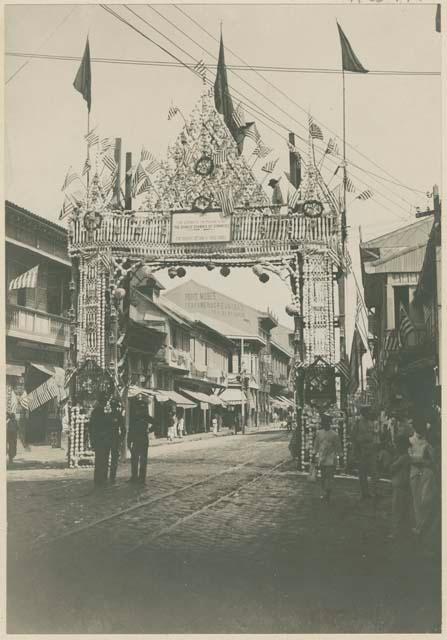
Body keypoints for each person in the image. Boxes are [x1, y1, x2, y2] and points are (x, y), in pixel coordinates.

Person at [408, 419, 436, 537]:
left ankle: (423, 524)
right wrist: (423, 461)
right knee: (416, 500)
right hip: (415, 472)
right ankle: (419, 525)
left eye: (423, 428)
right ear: (415, 428)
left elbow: (433, 461)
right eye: (419, 428)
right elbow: (409, 458)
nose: (421, 431)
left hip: (425, 473)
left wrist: (423, 462)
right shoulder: (410, 440)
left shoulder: (428, 442)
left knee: (425, 499)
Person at [313, 413, 342, 502]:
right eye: (323, 422)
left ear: (329, 423)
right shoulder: (319, 433)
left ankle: (327, 493)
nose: (325, 424)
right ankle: (325, 491)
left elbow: (338, 447)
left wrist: (340, 457)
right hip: (322, 458)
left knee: (329, 477)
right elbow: (316, 445)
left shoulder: (334, 435)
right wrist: (314, 455)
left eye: (326, 422)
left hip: (331, 458)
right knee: (323, 476)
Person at [351, 406, 378, 500]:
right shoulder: (357, 423)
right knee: (362, 473)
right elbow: (353, 437)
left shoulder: (372, 423)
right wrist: (355, 451)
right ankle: (364, 493)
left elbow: (375, 435)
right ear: (363, 413)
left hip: (371, 449)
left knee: (374, 472)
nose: (369, 414)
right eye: (367, 412)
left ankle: (373, 492)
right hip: (361, 450)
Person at [128, 397, 154, 484]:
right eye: (139, 408)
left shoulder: (145, 417)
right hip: (136, 440)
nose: (139, 410)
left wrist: (149, 430)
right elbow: (131, 429)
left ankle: (141, 478)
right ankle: (134, 477)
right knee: (134, 459)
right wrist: (129, 440)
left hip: (142, 439)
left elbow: (156, 423)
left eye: (141, 408)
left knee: (142, 459)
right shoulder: (134, 417)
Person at [389, 434, 410, 539]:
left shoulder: (403, 458)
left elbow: (392, 468)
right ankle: (401, 531)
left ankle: (396, 532)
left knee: (397, 510)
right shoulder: (404, 457)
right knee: (402, 509)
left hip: (400, 485)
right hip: (402, 485)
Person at [89, 393, 112, 487]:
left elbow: (92, 428)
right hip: (101, 439)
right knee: (102, 460)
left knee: (100, 459)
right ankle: (101, 479)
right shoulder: (99, 412)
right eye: (104, 401)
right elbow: (95, 427)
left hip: (100, 439)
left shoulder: (98, 412)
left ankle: (99, 479)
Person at [109, 398, 126, 484]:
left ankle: (112, 477)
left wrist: (120, 439)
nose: (113, 408)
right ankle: (107, 477)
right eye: (112, 406)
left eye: (114, 406)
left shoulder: (119, 415)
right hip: (108, 439)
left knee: (114, 459)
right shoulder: (107, 415)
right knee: (107, 459)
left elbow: (123, 429)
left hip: (115, 439)